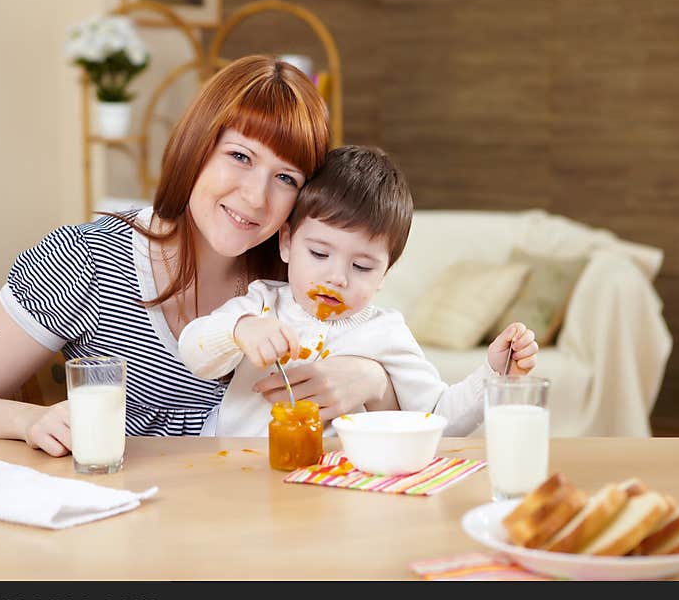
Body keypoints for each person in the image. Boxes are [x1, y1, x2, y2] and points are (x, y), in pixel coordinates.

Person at [0, 55, 404, 455]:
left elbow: (408, 394)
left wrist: (370, 379)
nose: (256, 197)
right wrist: (29, 420)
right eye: (239, 156)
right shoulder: (85, 258)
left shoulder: (295, 278)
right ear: (195, 148)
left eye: (286, 178)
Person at [178, 145, 539, 437]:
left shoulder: (385, 333)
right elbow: (193, 351)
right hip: (235, 473)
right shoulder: (262, 302)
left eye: (362, 266)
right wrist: (239, 329)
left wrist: (493, 373)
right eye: (319, 253)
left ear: (384, 274)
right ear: (286, 242)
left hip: (331, 487)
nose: (337, 277)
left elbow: (437, 419)